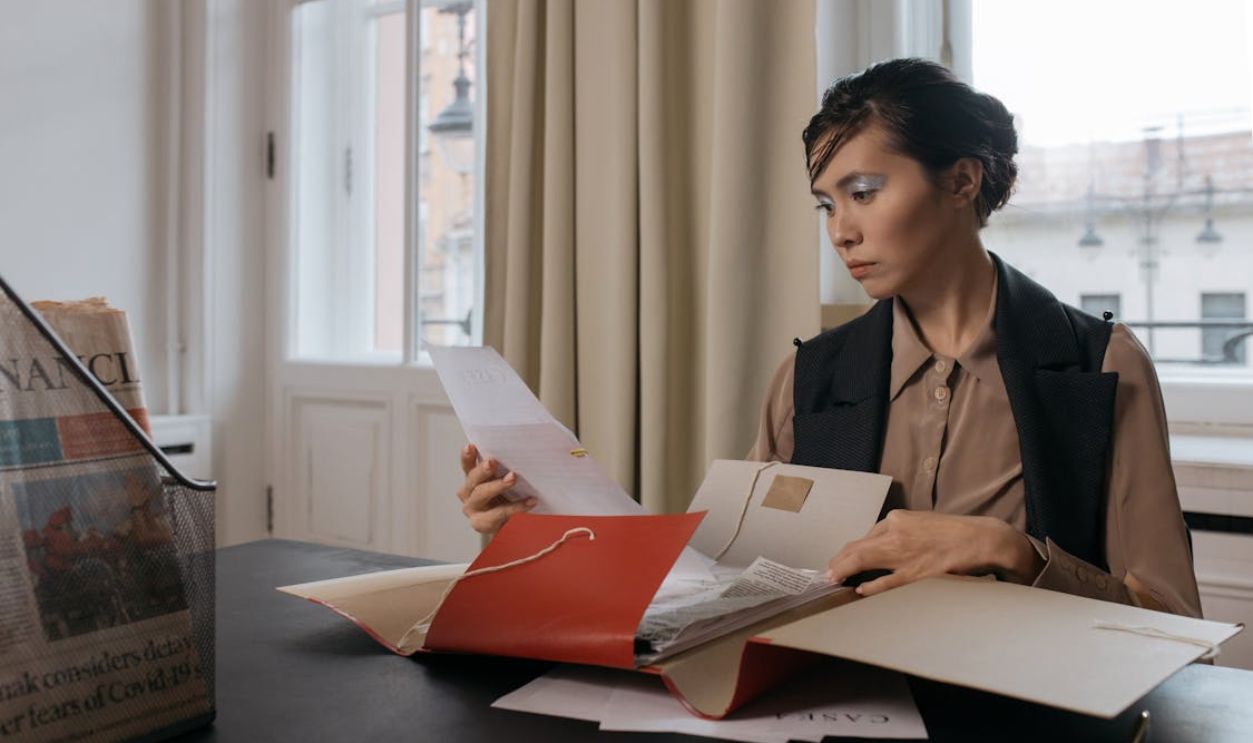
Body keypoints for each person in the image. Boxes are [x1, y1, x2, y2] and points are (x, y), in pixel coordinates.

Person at [456, 58, 1201, 618]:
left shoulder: (1099, 367)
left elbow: (1171, 621)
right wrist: (543, 532)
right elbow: (720, 584)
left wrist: (1013, 553)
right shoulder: (806, 378)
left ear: (961, 181)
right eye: (825, 204)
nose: (841, 230)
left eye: (864, 192)